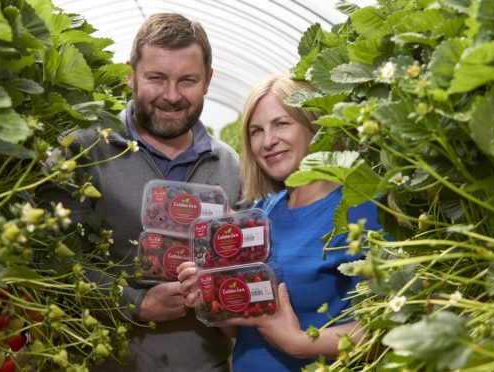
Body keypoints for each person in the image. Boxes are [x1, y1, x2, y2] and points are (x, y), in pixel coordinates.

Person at [41, 13, 242, 371]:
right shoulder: (86, 149)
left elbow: (246, 268)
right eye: (156, 78)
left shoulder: (229, 166)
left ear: (208, 81)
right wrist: (134, 302)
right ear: (131, 73)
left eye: (187, 80)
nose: (171, 95)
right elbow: (50, 258)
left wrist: (213, 290)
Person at [178, 75, 383, 371]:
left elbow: (384, 327)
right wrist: (208, 296)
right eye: (256, 131)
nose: (268, 140)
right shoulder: (260, 214)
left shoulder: (360, 208)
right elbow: (241, 328)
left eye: (281, 123)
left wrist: (300, 343)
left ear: (313, 125)